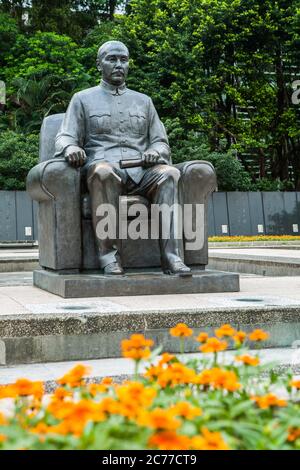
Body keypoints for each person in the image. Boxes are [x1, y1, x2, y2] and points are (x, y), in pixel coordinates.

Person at [55, 40, 191, 276]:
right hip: (104, 168)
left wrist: (155, 152)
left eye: (124, 60)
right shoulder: (82, 99)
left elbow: (161, 142)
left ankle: (171, 257)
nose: (119, 65)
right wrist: (69, 149)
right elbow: (65, 137)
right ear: (99, 64)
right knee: (103, 172)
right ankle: (109, 257)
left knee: (169, 174)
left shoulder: (144, 101)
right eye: (112, 59)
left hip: (142, 171)